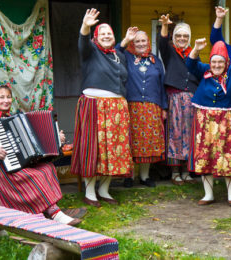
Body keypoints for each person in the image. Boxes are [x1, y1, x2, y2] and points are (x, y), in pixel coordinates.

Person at [0, 85, 81, 226]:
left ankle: (47, 210)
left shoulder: (14, 118)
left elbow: (36, 140)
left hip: (14, 164)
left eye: (8, 97)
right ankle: (55, 214)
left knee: (47, 168)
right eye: (1, 97)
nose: (6, 101)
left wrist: (56, 137)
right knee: (32, 175)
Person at [71, 8, 133, 207]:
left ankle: (105, 189)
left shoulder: (118, 55)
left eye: (109, 33)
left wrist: (124, 42)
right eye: (102, 33)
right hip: (94, 106)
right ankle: (90, 192)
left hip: (116, 108)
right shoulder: (90, 51)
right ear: (96, 38)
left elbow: (119, 58)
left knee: (114, 149)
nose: (106, 36)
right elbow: (83, 41)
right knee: (93, 149)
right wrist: (85, 26)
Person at [186, 40, 231, 206]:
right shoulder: (204, 69)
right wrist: (196, 49)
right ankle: (208, 194)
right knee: (204, 154)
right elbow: (190, 64)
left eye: (220, 61)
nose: (217, 65)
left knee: (228, 154)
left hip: (225, 119)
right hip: (204, 119)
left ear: (226, 62)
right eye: (214, 61)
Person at [117, 28, 167, 188]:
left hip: (152, 107)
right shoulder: (126, 57)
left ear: (148, 42)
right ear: (133, 43)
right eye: (137, 41)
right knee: (132, 141)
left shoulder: (155, 61)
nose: (140, 44)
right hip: (132, 105)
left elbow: (162, 85)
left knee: (148, 142)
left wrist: (164, 107)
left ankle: (145, 176)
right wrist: (125, 39)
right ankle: (129, 176)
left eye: (143, 41)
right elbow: (116, 50)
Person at [158, 14, 198, 185]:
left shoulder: (194, 54)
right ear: (174, 37)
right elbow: (161, 43)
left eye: (186, 36)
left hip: (191, 99)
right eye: (179, 36)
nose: (182, 39)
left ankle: (186, 171)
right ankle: (175, 171)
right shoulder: (170, 52)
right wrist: (165, 26)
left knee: (189, 135)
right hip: (174, 98)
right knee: (175, 134)